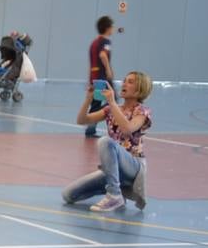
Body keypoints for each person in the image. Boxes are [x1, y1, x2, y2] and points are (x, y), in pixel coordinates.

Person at [64, 71, 152, 212]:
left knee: (106, 141)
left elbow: (127, 129)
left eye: (130, 82)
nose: (124, 83)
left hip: (134, 166)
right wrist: (88, 99)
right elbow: (82, 120)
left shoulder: (142, 111)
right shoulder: (110, 109)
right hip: (114, 169)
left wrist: (112, 102)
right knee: (68, 195)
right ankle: (116, 190)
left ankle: (114, 195)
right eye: (124, 80)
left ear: (139, 89)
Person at [84, 16, 117, 138]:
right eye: (112, 26)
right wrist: (108, 70)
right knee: (113, 101)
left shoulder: (94, 43)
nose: (113, 29)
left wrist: (90, 80)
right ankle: (114, 128)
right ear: (108, 28)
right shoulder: (106, 42)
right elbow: (103, 55)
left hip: (95, 76)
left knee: (97, 103)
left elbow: (92, 62)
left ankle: (91, 129)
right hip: (102, 77)